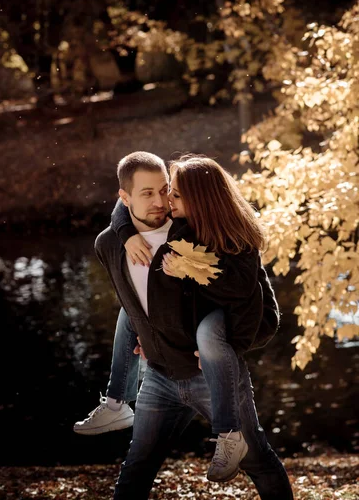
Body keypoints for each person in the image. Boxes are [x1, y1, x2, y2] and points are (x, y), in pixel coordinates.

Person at [76, 152, 293, 499]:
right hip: (159, 377)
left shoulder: (194, 231)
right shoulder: (111, 243)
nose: (161, 202)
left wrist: (231, 347)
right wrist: (125, 230)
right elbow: (137, 305)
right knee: (138, 465)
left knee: (258, 461)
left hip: (211, 375)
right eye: (147, 194)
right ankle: (117, 401)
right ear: (124, 197)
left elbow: (254, 302)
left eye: (166, 191)